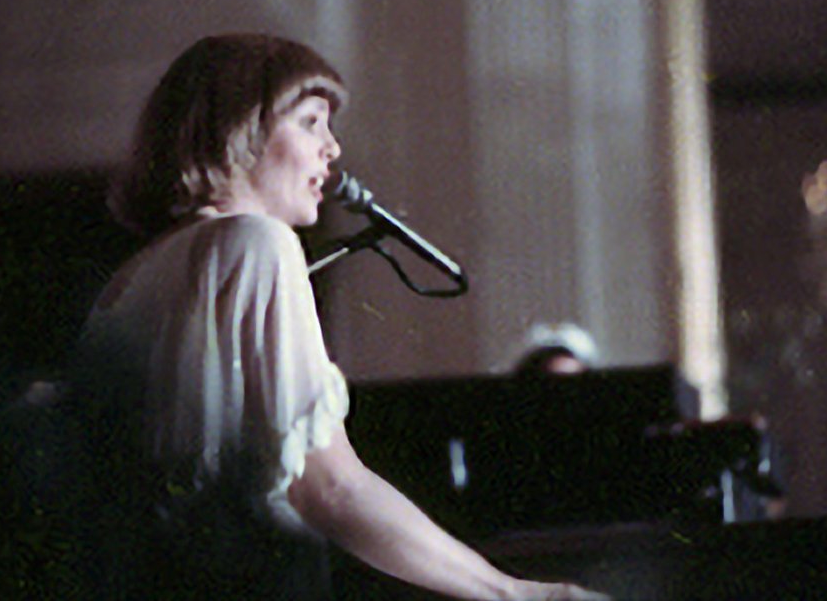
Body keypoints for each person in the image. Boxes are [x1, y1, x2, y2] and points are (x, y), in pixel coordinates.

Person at [68, 34, 607, 600]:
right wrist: (519, 594)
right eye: (310, 121)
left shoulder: (132, 278)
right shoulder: (258, 244)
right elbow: (329, 487)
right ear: (239, 130)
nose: (332, 147)